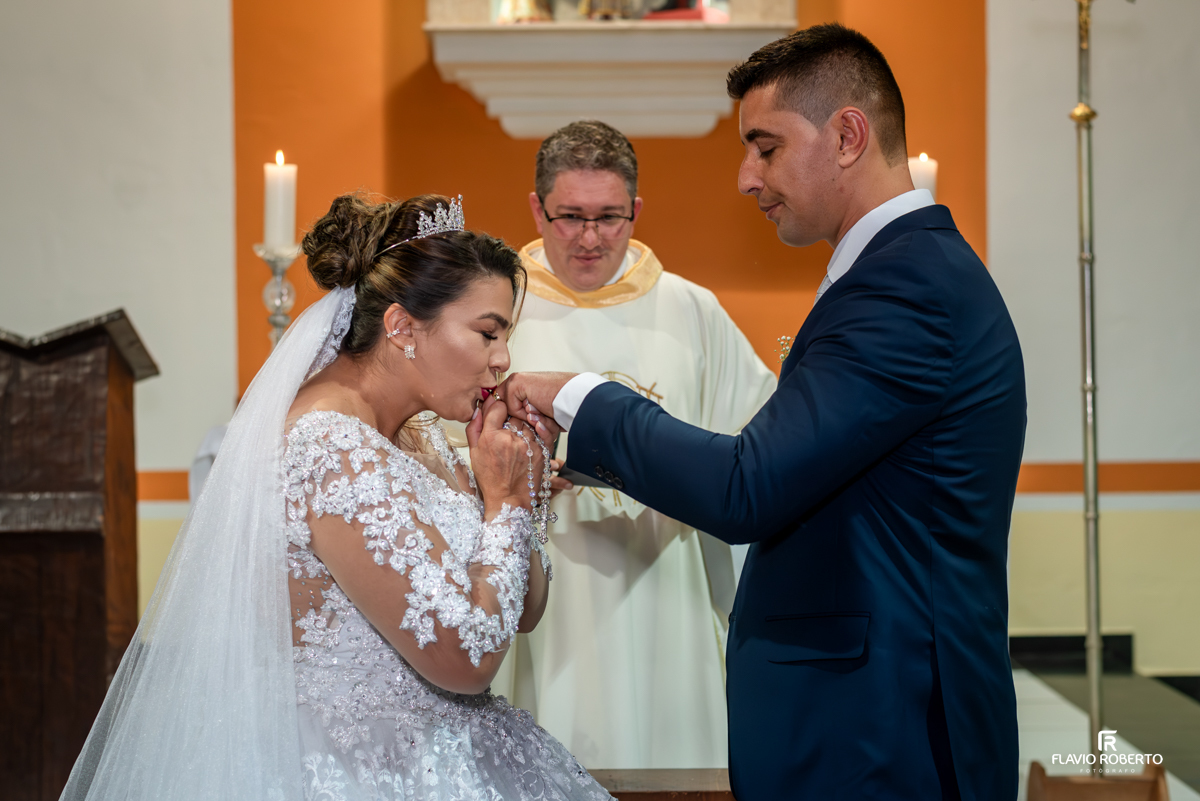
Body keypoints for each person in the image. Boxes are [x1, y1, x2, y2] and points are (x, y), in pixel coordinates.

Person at [499, 24, 1026, 801]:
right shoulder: (899, 276)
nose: (747, 178)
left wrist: (577, 394)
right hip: (867, 721)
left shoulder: (903, 290)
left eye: (766, 147)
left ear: (847, 136)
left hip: (881, 732)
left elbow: (745, 484)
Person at [60, 193, 613, 801]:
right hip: (363, 771)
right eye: (487, 333)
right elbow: (466, 657)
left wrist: (519, 492)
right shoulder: (331, 447)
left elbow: (521, 612)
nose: (502, 360)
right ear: (401, 327)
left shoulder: (420, 434)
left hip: (450, 755)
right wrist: (504, 506)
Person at [494, 120, 775, 770]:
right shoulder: (500, 310)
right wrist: (510, 472)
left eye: (609, 217)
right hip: (548, 592)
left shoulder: (693, 313)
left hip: (666, 584)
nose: (590, 237)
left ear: (637, 212)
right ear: (537, 209)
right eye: (570, 216)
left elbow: (758, 452)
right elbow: (443, 440)